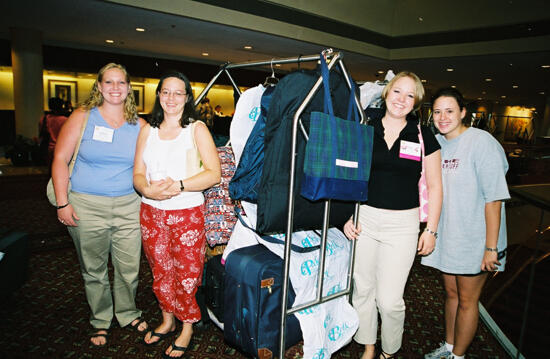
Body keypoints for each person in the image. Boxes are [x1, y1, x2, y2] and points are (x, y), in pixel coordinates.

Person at [343, 71, 443, 359]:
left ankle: (390, 349)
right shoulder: (365, 127)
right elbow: (348, 176)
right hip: (366, 218)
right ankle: (369, 345)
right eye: (397, 91)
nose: (402, 99)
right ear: (386, 93)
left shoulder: (423, 135)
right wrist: (347, 216)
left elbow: (436, 187)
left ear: (416, 103)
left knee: (389, 300)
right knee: (363, 289)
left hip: (404, 225)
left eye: (410, 95)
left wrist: (431, 229)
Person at [51, 63, 148, 347]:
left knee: (129, 267)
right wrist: (62, 203)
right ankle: (100, 319)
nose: (115, 88)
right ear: (99, 86)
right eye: (109, 82)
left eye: (121, 83)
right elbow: (59, 160)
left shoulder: (140, 125)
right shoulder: (83, 117)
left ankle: (128, 313)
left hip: (130, 205)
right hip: (85, 204)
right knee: (93, 269)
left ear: (129, 88)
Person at [133, 71, 220, 358]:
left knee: (186, 273)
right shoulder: (147, 129)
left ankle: (186, 325)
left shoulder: (196, 129)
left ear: (186, 97)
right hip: (152, 212)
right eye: (165, 92)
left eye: (177, 92)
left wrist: (179, 185)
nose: (171, 98)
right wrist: (147, 190)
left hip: (186, 213)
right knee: (160, 270)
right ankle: (167, 318)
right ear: (158, 95)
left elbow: (214, 174)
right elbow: (137, 173)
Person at [422, 88, 509, 359]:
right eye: (437, 111)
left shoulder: (482, 142)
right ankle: (448, 347)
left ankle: (458, 357)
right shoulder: (435, 142)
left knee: (468, 301)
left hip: (476, 238)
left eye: (450, 111)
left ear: (463, 113)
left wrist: (491, 248)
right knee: (451, 294)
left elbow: (494, 199)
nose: (443, 117)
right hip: (448, 235)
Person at [39, 97, 68, 167]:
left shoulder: (44, 119)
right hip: (62, 149)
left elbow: (41, 134)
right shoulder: (65, 120)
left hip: (48, 150)